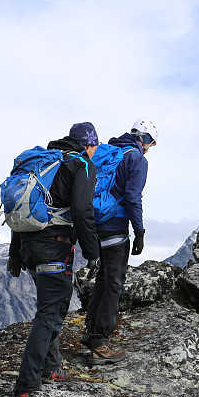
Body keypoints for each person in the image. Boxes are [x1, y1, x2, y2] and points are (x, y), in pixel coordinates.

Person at [7, 122, 101, 397]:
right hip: (55, 248)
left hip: (29, 247)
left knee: (55, 307)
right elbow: (82, 210)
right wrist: (93, 252)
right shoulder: (81, 165)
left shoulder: (44, 164)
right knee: (49, 313)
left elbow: (21, 210)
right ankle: (26, 383)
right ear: (89, 145)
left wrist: (15, 254)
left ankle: (51, 368)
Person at [80, 118, 157, 366]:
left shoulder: (107, 151)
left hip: (92, 223)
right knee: (113, 282)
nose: (149, 149)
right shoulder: (136, 159)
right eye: (151, 144)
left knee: (103, 278)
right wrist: (140, 231)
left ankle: (90, 332)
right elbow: (133, 197)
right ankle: (100, 344)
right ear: (144, 140)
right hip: (114, 226)